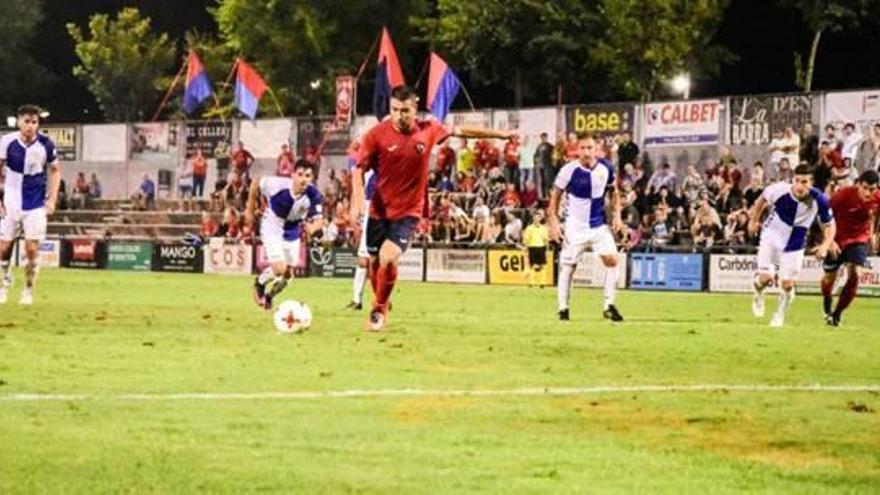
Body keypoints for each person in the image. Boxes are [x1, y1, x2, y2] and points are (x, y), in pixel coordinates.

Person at [351, 85, 515, 331]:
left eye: (405, 111)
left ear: (414, 108)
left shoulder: (429, 130)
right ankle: (382, 297)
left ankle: (378, 310)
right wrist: (356, 199)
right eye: (394, 110)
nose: (399, 116)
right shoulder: (376, 135)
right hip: (379, 209)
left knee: (388, 256)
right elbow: (358, 169)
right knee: (374, 263)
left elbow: (463, 132)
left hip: (409, 210)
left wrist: (500, 134)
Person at [748, 164, 836, 328]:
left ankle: (779, 315)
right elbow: (761, 201)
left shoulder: (820, 200)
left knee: (787, 285)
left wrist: (825, 245)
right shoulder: (780, 189)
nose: (800, 186)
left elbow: (830, 226)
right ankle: (758, 292)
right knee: (765, 279)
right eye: (797, 181)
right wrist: (753, 221)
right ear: (792, 180)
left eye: (805, 182)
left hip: (796, 241)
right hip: (771, 235)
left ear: (811, 183)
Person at [548, 135, 624, 323]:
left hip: (598, 226)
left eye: (590, 148)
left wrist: (617, 215)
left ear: (596, 148)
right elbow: (554, 198)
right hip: (575, 227)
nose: (586, 152)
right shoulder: (569, 170)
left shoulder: (606, 168)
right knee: (568, 267)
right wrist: (554, 223)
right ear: (577, 150)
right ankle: (563, 309)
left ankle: (609, 306)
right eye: (582, 148)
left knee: (613, 261)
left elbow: (614, 192)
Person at [0, 105, 62, 305]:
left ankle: (28, 289)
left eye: (34, 122)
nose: (30, 126)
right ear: (19, 122)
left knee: (31, 249)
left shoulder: (46, 144)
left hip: (35, 203)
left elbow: (55, 171)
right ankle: (5, 283)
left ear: (38, 124)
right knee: (4, 247)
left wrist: (52, 199)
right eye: (26, 121)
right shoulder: (7, 142)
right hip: (11, 199)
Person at [246, 161, 323, 310]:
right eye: (300, 174)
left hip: (293, 230)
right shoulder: (277, 185)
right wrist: (250, 208)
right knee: (280, 268)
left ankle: (270, 296)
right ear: (292, 175)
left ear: (312, 179)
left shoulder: (314, 195)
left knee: (288, 275)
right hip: (272, 226)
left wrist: (313, 229)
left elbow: (318, 221)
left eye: (307, 176)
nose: (303, 179)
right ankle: (260, 282)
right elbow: (255, 183)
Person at [819, 170, 880, 326]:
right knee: (828, 279)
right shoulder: (843, 195)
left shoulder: (877, 198)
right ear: (858, 184)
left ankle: (837, 315)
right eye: (865, 188)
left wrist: (875, 234)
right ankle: (827, 301)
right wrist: (829, 240)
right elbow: (822, 215)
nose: (868, 193)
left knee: (856, 273)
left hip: (859, 239)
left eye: (872, 189)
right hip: (837, 238)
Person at [522, 210, 549, 288]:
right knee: (532, 265)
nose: (536, 219)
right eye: (535, 218)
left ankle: (542, 283)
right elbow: (526, 239)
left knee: (542, 265)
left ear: (540, 219)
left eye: (538, 218)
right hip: (532, 247)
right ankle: (531, 282)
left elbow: (546, 239)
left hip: (541, 247)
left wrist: (546, 248)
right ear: (533, 219)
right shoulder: (529, 228)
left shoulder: (543, 228)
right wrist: (526, 248)